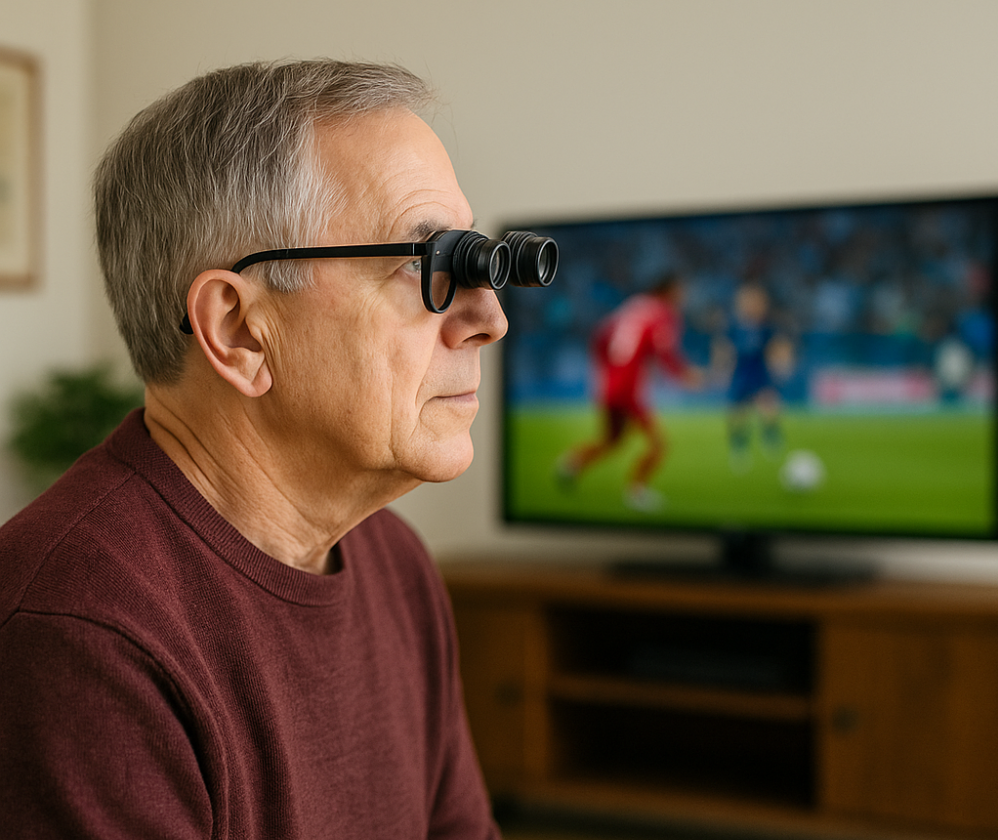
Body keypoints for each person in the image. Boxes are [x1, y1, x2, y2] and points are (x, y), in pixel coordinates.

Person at [0, 60, 514, 838]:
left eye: (475, 262)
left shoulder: (394, 565)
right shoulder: (79, 634)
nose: (490, 318)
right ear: (240, 330)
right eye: (427, 266)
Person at [558, 273, 700, 512]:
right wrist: (684, 374)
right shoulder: (661, 313)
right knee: (658, 445)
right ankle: (637, 492)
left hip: (610, 386)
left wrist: (605, 372)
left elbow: (600, 337)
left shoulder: (632, 306)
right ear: (668, 291)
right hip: (628, 390)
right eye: (680, 291)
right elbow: (665, 352)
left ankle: (572, 463)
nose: (683, 297)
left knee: (613, 441)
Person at [716, 282, 793, 472]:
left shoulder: (766, 327)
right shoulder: (735, 326)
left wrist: (782, 364)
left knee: (769, 405)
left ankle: (771, 437)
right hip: (741, 372)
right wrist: (721, 369)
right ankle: (739, 448)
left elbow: (778, 345)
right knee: (737, 413)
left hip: (760, 371)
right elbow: (723, 347)